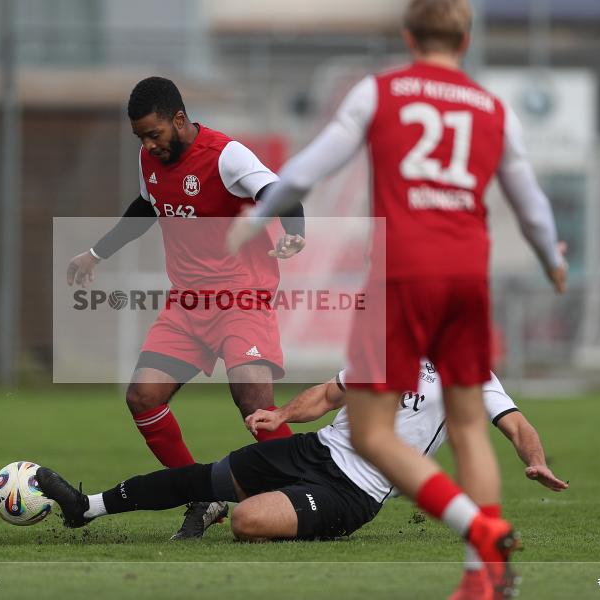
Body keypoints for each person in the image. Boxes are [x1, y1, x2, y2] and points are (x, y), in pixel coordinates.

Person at [226, 1, 566, 597]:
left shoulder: (382, 92)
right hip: (465, 278)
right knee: (466, 427)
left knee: (374, 434)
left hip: (404, 276)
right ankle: (483, 571)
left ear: (409, 36)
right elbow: (530, 201)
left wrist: (260, 214)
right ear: (465, 42)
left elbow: (314, 162)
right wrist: (552, 259)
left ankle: (481, 533)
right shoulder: (491, 108)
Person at [37, 363, 567, 590]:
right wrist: (282, 415)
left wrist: (536, 459)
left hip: (353, 490)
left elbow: (516, 425)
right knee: (204, 478)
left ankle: (270, 507)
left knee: (247, 521)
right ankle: (87, 509)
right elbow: (329, 394)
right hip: (314, 451)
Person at [65, 76, 306, 539]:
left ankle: (307, 492)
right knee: (143, 397)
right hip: (188, 304)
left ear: (179, 119)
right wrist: (96, 254)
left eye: (154, 134)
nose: (148, 145)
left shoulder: (226, 155)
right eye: (140, 137)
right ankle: (203, 495)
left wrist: (295, 231)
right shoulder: (149, 157)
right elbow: (146, 206)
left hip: (241, 299)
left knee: (254, 404)